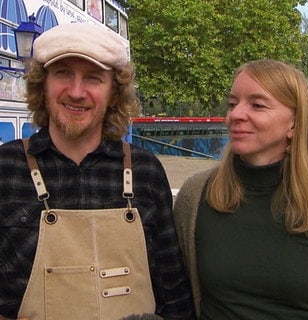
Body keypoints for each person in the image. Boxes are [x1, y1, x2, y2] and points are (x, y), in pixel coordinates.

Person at [0, 23, 195, 320]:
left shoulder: (145, 171)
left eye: (93, 78)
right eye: (63, 73)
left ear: (114, 94)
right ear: (43, 84)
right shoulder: (6, 167)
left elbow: (174, 293)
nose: (76, 92)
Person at [174, 59, 308, 319]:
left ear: (294, 125)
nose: (236, 115)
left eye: (257, 105)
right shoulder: (196, 195)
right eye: (232, 104)